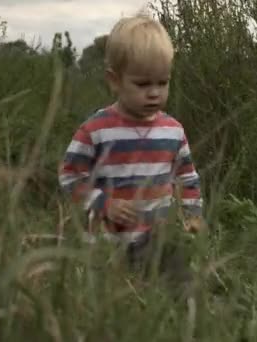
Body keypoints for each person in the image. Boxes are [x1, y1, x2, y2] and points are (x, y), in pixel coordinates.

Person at [57, 14, 205, 297]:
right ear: (114, 80)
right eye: (142, 84)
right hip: (108, 246)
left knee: (182, 295)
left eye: (163, 83)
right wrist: (102, 203)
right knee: (114, 307)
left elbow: (187, 177)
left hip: (159, 241)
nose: (154, 93)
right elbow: (70, 175)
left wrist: (193, 214)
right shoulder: (96, 130)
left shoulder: (172, 131)